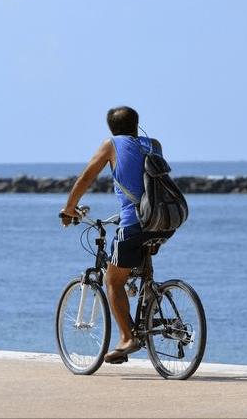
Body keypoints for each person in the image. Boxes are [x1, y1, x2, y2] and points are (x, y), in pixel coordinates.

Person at [60, 106, 174, 364]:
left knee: (113, 280)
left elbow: (87, 175)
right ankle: (149, 308)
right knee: (139, 265)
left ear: (111, 128)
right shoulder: (154, 144)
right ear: (137, 124)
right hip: (163, 220)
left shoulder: (111, 144)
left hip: (134, 222)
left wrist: (69, 209)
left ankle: (127, 338)